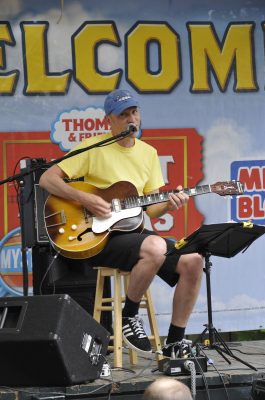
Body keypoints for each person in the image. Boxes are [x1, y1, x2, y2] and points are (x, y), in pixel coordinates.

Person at [39, 89, 203, 358]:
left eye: (134, 112)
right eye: (123, 114)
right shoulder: (94, 148)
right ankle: (128, 316)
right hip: (98, 236)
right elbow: (48, 179)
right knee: (155, 246)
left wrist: (171, 203)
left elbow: (151, 210)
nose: (131, 119)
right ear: (109, 121)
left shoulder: (148, 153)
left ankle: (174, 342)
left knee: (193, 259)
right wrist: (86, 199)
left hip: (134, 231)